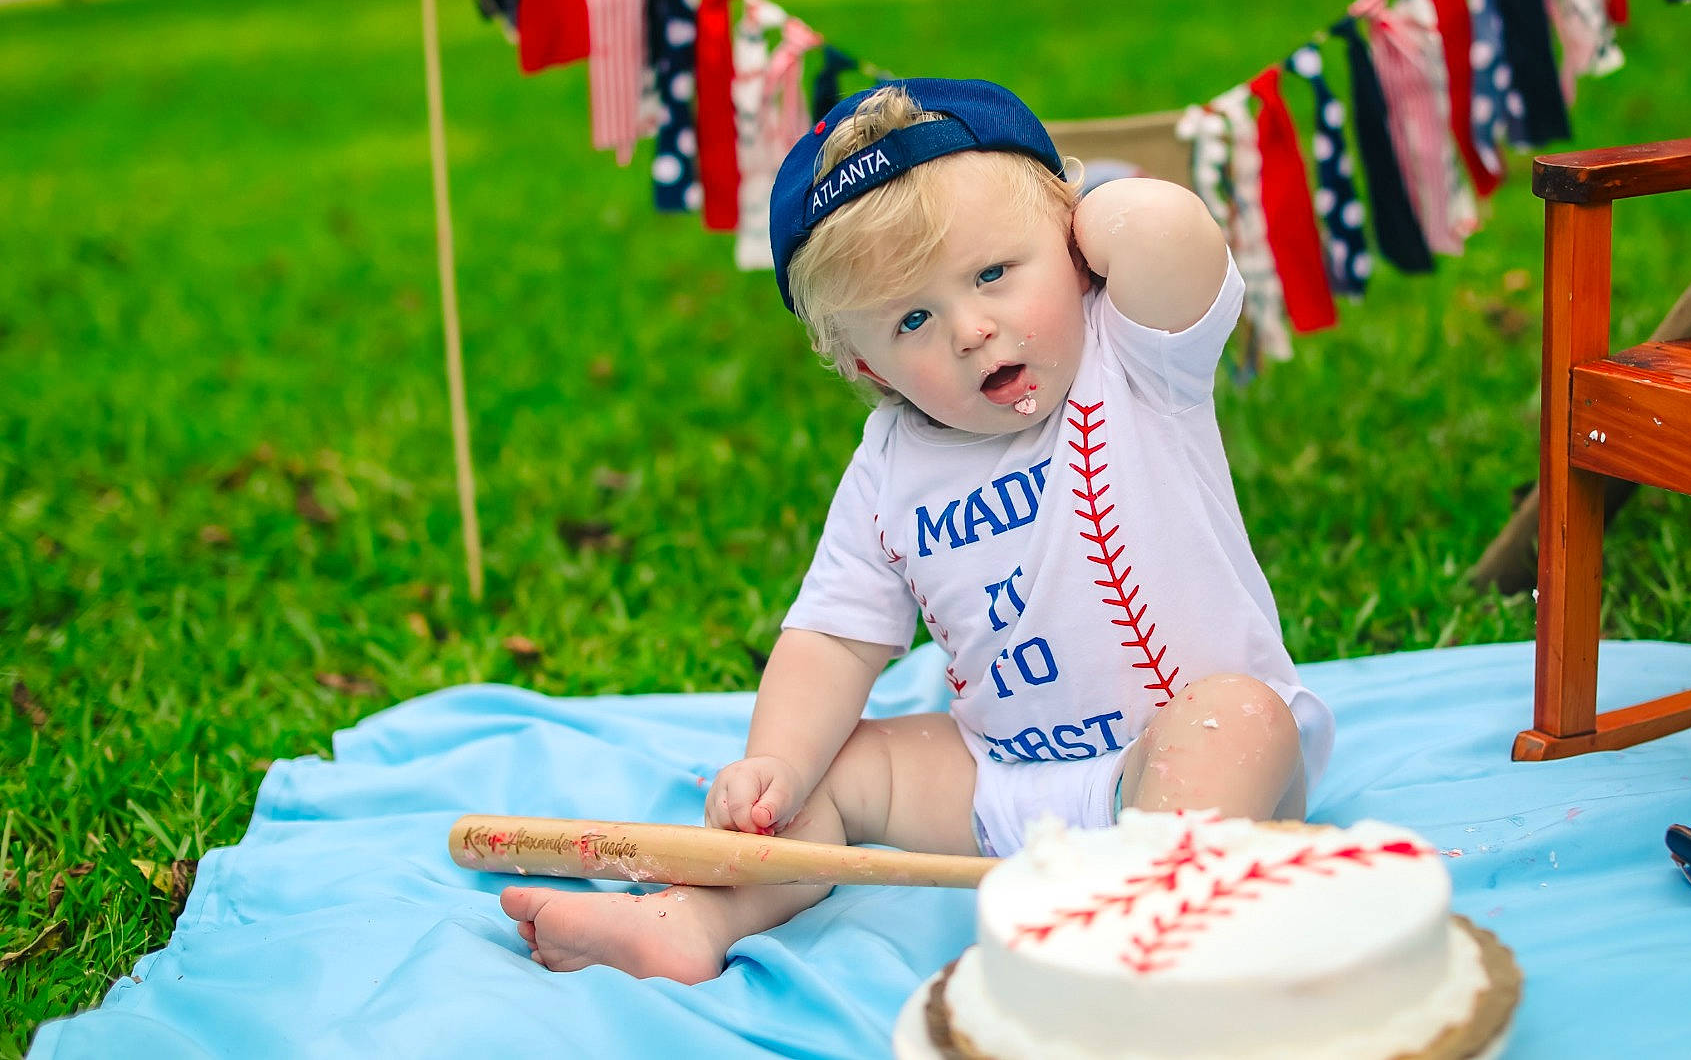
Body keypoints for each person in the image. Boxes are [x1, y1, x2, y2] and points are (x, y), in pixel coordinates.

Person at [501, 78, 1334, 981]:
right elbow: (830, 638)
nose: (973, 329)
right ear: (869, 364)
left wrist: (1090, 212)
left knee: (1234, 715)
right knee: (839, 768)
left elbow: (1174, 234)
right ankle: (693, 920)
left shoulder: (1131, 358)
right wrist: (776, 761)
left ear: (1071, 242)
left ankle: (1146, 930)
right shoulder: (891, 465)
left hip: (1195, 766)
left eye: (992, 274)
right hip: (999, 785)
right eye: (912, 319)